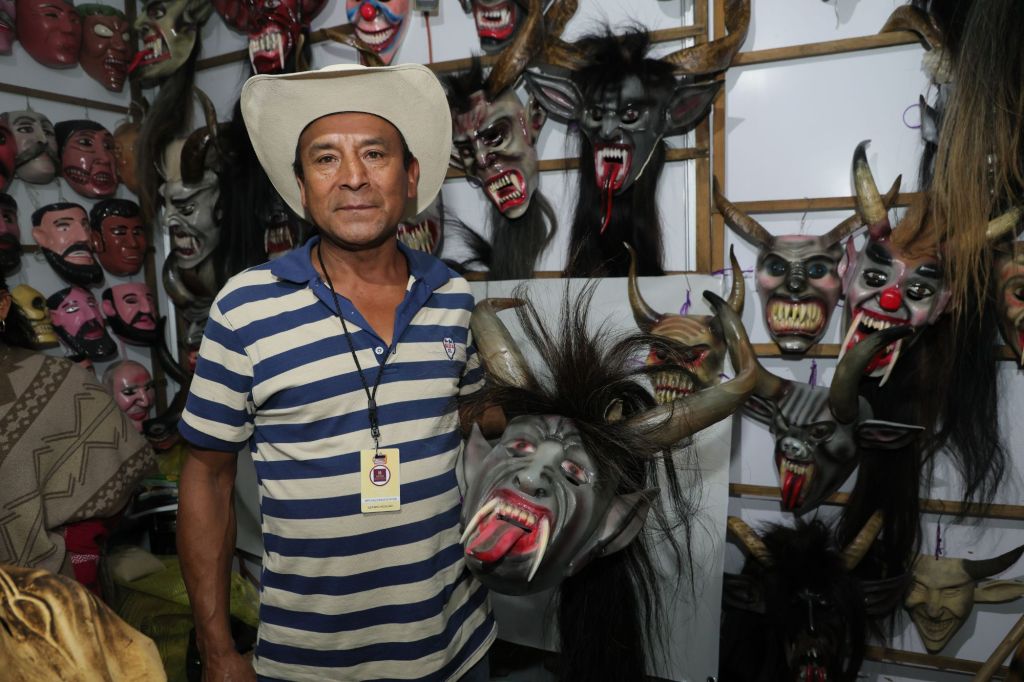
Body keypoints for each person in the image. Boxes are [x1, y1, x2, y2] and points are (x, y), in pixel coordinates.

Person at [177, 63, 495, 682]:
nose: (353, 177)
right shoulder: (244, 309)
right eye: (326, 159)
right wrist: (216, 649)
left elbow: (476, 417)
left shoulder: (453, 297)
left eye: (375, 154)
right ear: (301, 187)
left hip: (457, 646)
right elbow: (207, 478)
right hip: (311, 660)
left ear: (410, 176)